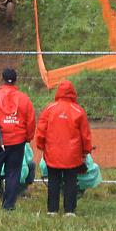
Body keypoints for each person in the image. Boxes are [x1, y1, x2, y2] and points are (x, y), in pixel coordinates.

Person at [0, 69, 36, 211]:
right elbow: (31, 121)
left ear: (2, 79)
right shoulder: (24, 98)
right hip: (17, 142)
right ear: (16, 80)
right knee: (13, 173)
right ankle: (8, 206)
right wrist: (27, 138)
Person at [35, 80, 92, 216]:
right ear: (73, 93)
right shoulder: (79, 111)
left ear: (58, 92)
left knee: (53, 180)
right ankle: (69, 210)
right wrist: (86, 151)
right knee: (71, 181)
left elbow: (41, 130)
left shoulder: (49, 109)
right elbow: (85, 135)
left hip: (52, 153)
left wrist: (42, 146)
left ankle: (52, 210)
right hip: (72, 155)